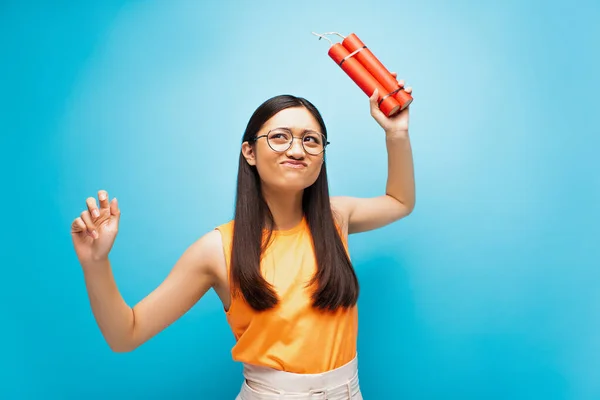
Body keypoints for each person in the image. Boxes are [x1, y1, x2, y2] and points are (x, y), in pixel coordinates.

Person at [71, 76, 415, 399]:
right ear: (249, 152)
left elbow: (400, 202)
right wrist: (95, 263)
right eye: (280, 137)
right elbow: (125, 334)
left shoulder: (337, 218)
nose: (297, 150)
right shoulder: (216, 250)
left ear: (322, 156)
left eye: (311, 140)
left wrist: (396, 134)